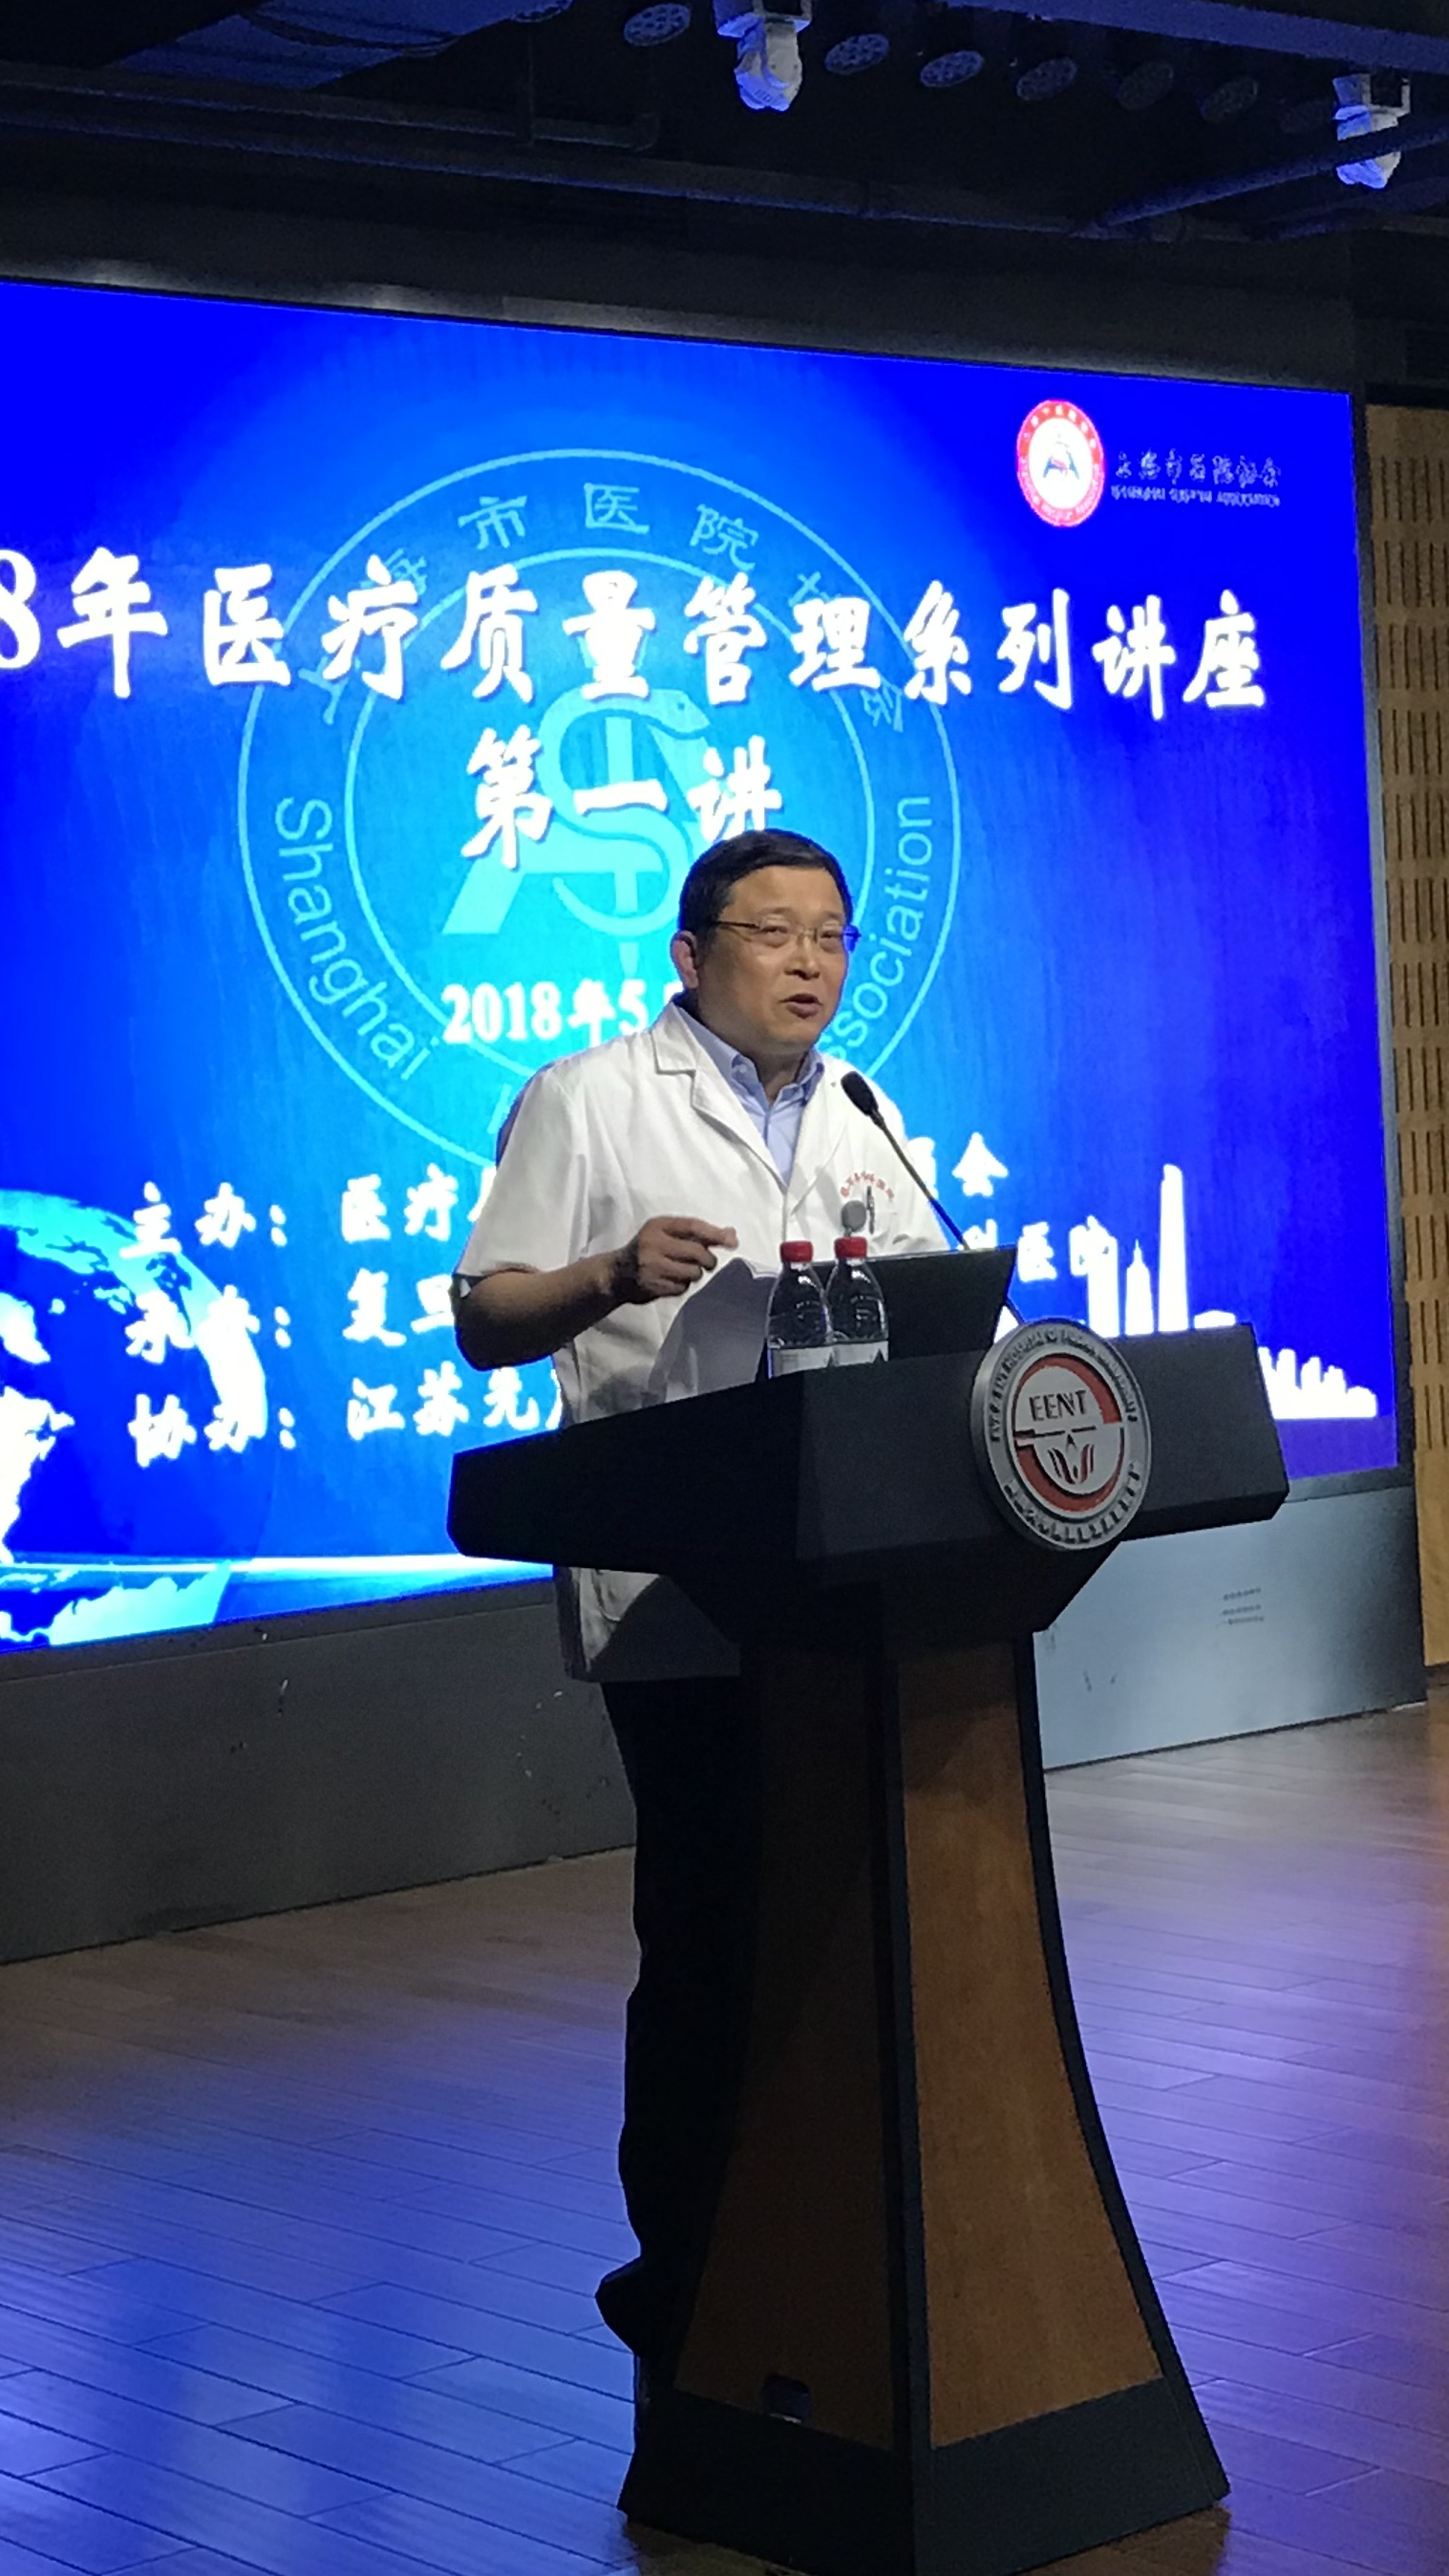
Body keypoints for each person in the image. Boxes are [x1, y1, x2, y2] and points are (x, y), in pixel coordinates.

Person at [451, 828, 947, 2370]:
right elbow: (486, 1314)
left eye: (833, 937)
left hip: (843, 1574)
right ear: (690, 954)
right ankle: (683, 2267)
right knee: (713, 1926)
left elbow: (928, 1309)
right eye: (775, 933)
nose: (812, 964)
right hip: (681, 1578)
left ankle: (821, 2233)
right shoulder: (588, 1097)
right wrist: (609, 1274)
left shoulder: (861, 1110)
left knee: (836, 1925)